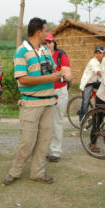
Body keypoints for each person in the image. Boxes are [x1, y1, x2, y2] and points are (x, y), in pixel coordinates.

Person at [3, 17, 61, 185]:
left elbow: (51, 71)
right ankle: (15, 171)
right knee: (27, 141)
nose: (47, 34)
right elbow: (23, 80)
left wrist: (59, 74)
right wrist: (50, 77)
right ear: (38, 32)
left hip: (49, 102)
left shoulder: (46, 51)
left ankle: (38, 172)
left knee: (44, 141)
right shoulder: (22, 51)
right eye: (45, 30)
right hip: (31, 103)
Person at [45, 33, 71, 163]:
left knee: (57, 121)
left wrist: (56, 74)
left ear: (54, 43)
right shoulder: (40, 56)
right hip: (44, 91)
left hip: (59, 90)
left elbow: (68, 76)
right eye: (45, 42)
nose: (48, 44)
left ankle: (55, 151)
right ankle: (45, 149)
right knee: (44, 122)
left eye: (50, 42)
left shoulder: (61, 56)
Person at [78, 45, 105, 122]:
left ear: (103, 54)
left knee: (103, 98)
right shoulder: (92, 62)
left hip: (97, 82)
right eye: (96, 53)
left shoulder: (104, 62)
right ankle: (82, 119)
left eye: (100, 53)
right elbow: (99, 72)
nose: (98, 55)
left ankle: (97, 116)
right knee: (85, 101)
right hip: (88, 83)